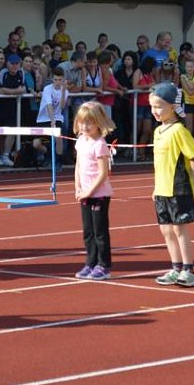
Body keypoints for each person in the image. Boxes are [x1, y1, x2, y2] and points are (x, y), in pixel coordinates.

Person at [150, 82, 194, 288]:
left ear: (172, 106)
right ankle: (176, 267)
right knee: (166, 231)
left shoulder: (179, 130)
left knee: (180, 230)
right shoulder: (158, 131)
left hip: (177, 187)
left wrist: (193, 178)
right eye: (152, 107)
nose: (155, 111)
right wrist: (155, 187)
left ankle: (189, 270)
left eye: (159, 106)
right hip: (162, 189)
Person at [73, 101, 115, 281]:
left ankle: (103, 265)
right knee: (88, 231)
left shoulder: (100, 144)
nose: (85, 126)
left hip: (99, 194)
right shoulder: (81, 141)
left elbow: (103, 172)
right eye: (82, 122)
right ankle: (90, 262)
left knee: (100, 231)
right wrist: (77, 186)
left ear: (99, 123)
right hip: (85, 193)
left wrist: (89, 191)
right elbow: (78, 166)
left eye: (89, 123)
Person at [0, 53, 26, 166]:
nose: (15, 66)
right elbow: (0, 90)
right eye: (12, 63)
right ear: (7, 64)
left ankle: (5, 155)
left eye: (17, 63)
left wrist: (12, 91)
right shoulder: (2, 72)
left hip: (12, 106)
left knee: (12, 130)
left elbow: (23, 88)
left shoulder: (21, 72)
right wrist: (16, 91)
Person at [33, 67, 67, 167]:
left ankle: (58, 161)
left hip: (57, 118)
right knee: (36, 143)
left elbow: (61, 107)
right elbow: (49, 106)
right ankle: (49, 154)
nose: (57, 82)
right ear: (52, 79)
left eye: (60, 80)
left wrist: (64, 91)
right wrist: (52, 122)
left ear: (63, 80)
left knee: (59, 138)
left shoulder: (65, 91)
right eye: (56, 80)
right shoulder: (47, 89)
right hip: (43, 119)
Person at [180, 59, 194, 141]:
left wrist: (191, 84)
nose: (190, 69)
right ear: (185, 68)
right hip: (187, 104)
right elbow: (190, 92)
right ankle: (189, 151)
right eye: (188, 67)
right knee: (189, 128)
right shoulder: (182, 76)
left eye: (191, 67)